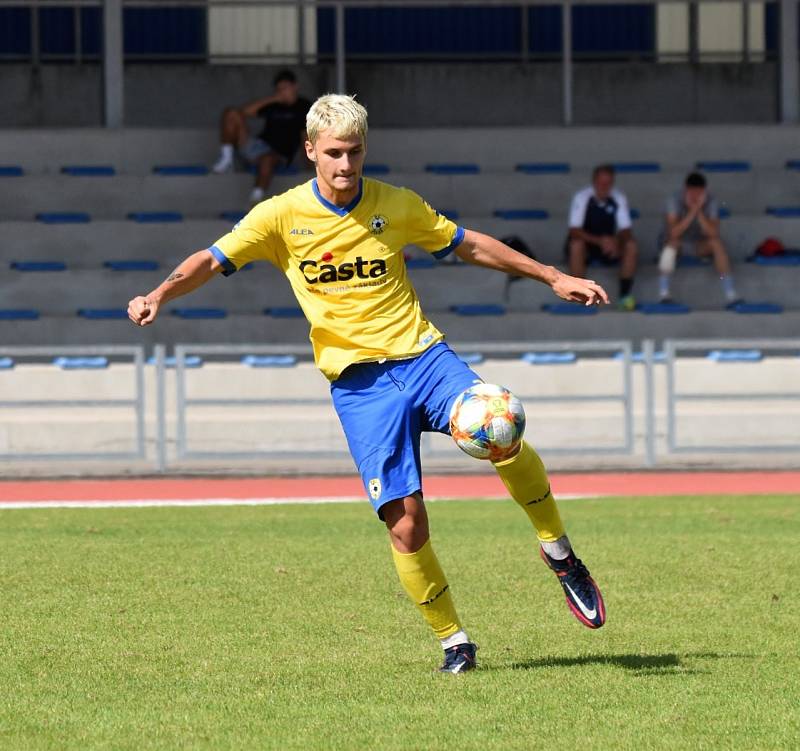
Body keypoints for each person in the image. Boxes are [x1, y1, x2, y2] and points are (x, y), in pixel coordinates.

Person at [128, 94, 609, 675]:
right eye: (333, 153)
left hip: (423, 357)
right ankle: (454, 640)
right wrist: (158, 294)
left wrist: (553, 276)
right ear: (310, 151)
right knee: (406, 522)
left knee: (500, 420)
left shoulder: (395, 205)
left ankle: (559, 552)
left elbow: (469, 243)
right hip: (360, 387)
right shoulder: (278, 217)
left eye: (354, 152)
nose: (345, 165)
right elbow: (209, 260)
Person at [212, 69, 312, 205]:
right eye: (279, 89)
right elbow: (243, 112)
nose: (282, 92)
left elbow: (305, 135)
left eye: (285, 88)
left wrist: (309, 164)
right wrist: (273, 99)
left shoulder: (304, 106)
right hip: (259, 145)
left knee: (267, 159)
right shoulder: (273, 103)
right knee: (230, 113)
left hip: (280, 153)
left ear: (295, 87)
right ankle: (226, 159)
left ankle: (256, 197)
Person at [658, 172, 739, 306]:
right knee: (671, 244)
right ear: (686, 189)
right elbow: (673, 233)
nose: (696, 196)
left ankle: (730, 293)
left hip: (698, 244)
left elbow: (713, 233)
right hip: (675, 244)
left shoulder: (711, 201)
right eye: (692, 193)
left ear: (704, 191)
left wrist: (698, 211)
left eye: (699, 193)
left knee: (717, 243)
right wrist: (692, 212)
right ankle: (664, 293)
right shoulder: (673, 200)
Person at [566, 165, 638, 311]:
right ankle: (579, 295)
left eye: (608, 183)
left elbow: (626, 230)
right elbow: (574, 230)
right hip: (588, 246)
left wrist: (616, 242)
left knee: (631, 246)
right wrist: (600, 241)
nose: (604, 186)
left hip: (609, 247)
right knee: (576, 245)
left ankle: (625, 295)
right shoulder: (582, 197)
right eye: (601, 182)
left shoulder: (618, 198)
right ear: (594, 182)